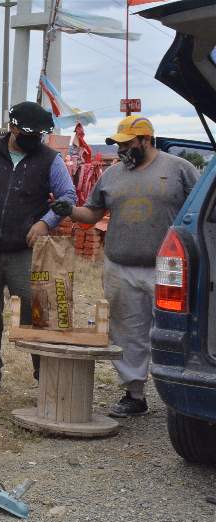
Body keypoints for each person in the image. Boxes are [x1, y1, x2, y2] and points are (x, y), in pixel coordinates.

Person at [50, 115, 199, 417]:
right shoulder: (112, 175)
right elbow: (92, 214)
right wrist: (70, 211)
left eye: (128, 144)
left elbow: (201, 209)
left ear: (146, 140)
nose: (122, 150)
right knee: (127, 331)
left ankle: (187, 397)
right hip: (120, 266)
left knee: (177, 330)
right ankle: (134, 395)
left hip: (168, 270)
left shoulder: (179, 169)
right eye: (119, 145)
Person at [0, 102, 77, 390]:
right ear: (13, 128)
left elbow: (67, 195)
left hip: (25, 252)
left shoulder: (49, 160)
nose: (35, 141)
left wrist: (46, 222)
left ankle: (44, 375)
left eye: (40, 136)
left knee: (35, 313)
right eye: (29, 134)